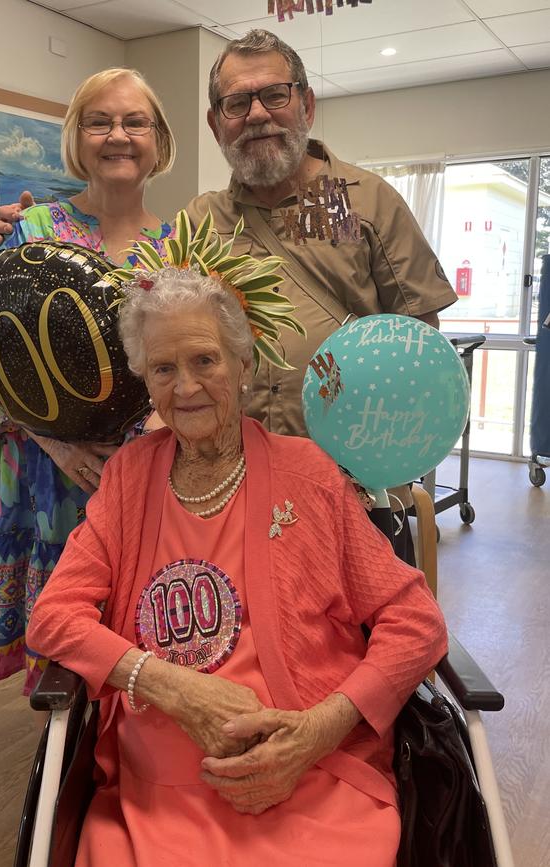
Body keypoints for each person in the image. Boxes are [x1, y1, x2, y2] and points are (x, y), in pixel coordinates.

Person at [26, 242, 448, 866]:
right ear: (146, 380)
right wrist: (171, 687)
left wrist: (316, 733)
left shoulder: (308, 474)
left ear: (243, 363)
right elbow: (54, 616)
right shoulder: (128, 478)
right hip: (156, 791)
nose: (187, 386)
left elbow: (415, 624)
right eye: (164, 369)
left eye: (205, 360)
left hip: (308, 773)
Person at [0, 30, 457, 564]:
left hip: (352, 491)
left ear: (305, 103)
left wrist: (382, 467)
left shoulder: (365, 202)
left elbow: (420, 356)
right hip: (238, 498)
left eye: (275, 95)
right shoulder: (199, 222)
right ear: (216, 123)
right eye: (237, 103)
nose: (257, 114)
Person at [0, 68, 175, 694]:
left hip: (142, 476)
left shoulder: (178, 247)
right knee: (63, 669)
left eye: (135, 121)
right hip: (46, 474)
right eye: (99, 121)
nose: (118, 135)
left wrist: (153, 432)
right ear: (77, 140)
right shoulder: (30, 232)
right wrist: (60, 444)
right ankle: (63, 775)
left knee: (137, 655)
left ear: (158, 140)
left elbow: (183, 361)